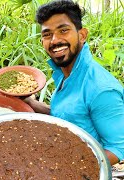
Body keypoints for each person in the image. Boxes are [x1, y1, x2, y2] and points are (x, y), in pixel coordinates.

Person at [25, 0, 124, 165]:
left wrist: (68, 169)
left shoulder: (101, 89)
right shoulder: (67, 74)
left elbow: (118, 148)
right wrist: (30, 103)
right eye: (47, 34)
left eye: (63, 30)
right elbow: (69, 115)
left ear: (82, 35)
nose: (55, 40)